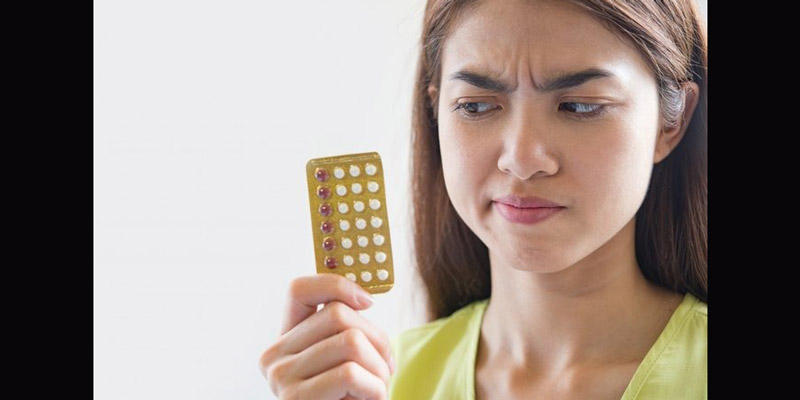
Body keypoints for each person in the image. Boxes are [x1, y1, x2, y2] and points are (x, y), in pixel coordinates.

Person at [259, 0, 707, 398]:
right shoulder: (375, 383)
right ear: (436, 112)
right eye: (474, 106)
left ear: (672, 122)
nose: (522, 160)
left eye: (580, 106)